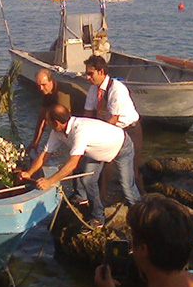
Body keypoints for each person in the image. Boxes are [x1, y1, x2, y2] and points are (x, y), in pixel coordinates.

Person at [18, 104, 141, 230]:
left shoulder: (79, 130)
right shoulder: (57, 132)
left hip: (121, 146)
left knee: (127, 186)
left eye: (48, 120)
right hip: (96, 152)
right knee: (88, 180)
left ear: (56, 122)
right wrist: (29, 173)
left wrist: (49, 181)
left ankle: (140, 214)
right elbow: (45, 154)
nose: (46, 123)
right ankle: (98, 217)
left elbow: (73, 163)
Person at [83, 55, 144, 194]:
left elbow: (113, 119)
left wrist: (97, 138)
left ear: (101, 72)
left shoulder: (117, 90)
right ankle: (103, 196)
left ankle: (141, 197)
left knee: (132, 169)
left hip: (129, 130)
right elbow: (87, 113)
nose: (87, 77)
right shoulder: (94, 89)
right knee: (105, 165)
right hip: (110, 127)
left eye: (90, 73)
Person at [27, 69, 72, 156]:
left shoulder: (62, 94)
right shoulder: (47, 92)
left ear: (52, 81)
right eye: (38, 85)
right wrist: (35, 141)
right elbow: (42, 117)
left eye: (44, 85)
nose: (41, 88)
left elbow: (63, 122)